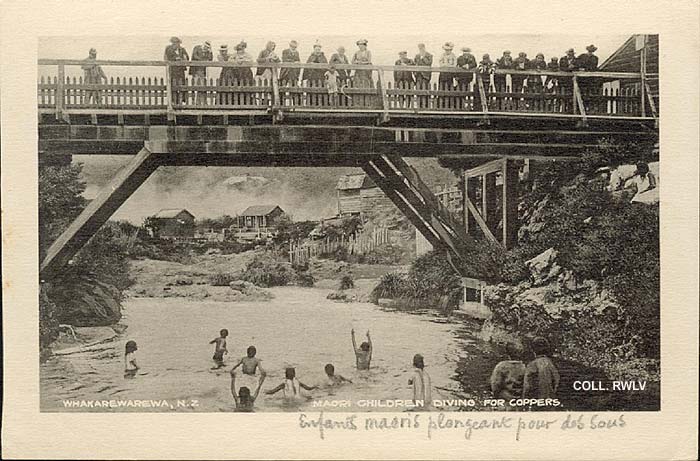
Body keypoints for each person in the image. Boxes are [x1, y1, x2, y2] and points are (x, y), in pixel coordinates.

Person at [490, 343, 526, 408]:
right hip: (520, 402)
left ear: (507, 352)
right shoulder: (524, 367)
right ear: (521, 352)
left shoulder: (501, 366)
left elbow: (495, 385)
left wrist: (496, 397)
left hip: (504, 402)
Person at [164, 37, 189, 104]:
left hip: (181, 70)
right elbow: (167, 58)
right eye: (174, 43)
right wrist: (175, 59)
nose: (176, 45)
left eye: (177, 43)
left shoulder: (182, 49)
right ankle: (173, 101)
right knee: (172, 85)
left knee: (181, 85)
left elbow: (187, 57)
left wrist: (183, 59)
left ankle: (181, 101)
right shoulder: (168, 49)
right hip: (173, 70)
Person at [189, 41, 213, 105]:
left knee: (202, 86)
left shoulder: (207, 52)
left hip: (202, 71)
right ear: (203, 45)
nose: (206, 48)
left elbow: (210, 59)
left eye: (207, 47)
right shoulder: (197, 48)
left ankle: (203, 102)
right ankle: (194, 102)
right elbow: (195, 56)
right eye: (205, 47)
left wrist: (210, 52)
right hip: (196, 70)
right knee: (195, 86)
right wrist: (203, 60)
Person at [413, 43, 433, 108]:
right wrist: (415, 72)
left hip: (426, 76)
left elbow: (429, 63)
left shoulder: (429, 55)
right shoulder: (417, 56)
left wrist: (423, 57)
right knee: (419, 89)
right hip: (419, 75)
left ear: (424, 48)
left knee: (426, 90)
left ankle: (426, 106)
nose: (421, 49)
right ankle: (419, 106)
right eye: (420, 48)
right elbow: (414, 64)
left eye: (422, 48)